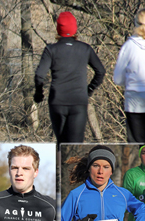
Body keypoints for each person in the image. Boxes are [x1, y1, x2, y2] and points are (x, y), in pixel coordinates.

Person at [34, 11, 106, 144]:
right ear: (75, 29)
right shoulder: (85, 49)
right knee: (75, 145)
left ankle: (59, 164)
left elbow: (39, 75)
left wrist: (39, 94)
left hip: (57, 102)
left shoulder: (51, 50)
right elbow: (100, 71)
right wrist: (89, 90)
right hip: (78, 101)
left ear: (58, 29)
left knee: (61, 144)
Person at [113, 8, 145, 188]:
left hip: (134, 100)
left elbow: (117, 78)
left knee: (137, 142)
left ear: (136, 23)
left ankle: (140, 178)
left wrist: (128, 81)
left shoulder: (129, 45)